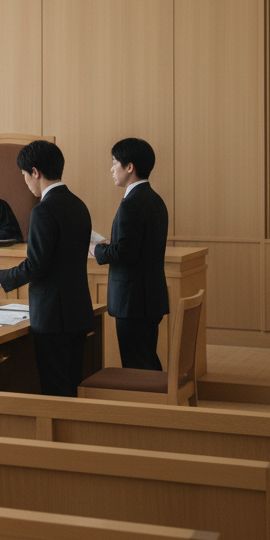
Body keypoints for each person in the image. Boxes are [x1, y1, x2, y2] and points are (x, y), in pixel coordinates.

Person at [0, 141, 93, 397]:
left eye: (24, 175)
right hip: (77, 310)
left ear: (35, 172)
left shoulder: (43, 210)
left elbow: (36, 265)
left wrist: (0, 277)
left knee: (55, 390)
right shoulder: (78, 204)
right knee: (71, 384)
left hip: (52, 316)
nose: (25, 182)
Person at [89, 138, 169, 371]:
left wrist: (95, 249)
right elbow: (138, 247)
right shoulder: (155, 199)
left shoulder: (131, 203)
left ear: (130, 167)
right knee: (146, 359)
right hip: (149, 297)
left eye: (115, 163)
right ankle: (160, 395)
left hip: (133, 301)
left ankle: (152, 396)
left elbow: (124, 254)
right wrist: (111, 244)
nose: (112, 169)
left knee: (137, 367)